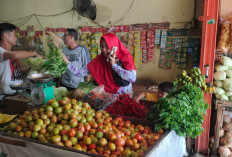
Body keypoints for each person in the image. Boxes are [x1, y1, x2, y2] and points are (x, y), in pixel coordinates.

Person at [62, 33, 136, 95]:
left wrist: (114, 66)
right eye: (102, 46)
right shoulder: (99, 60)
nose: (103, 50)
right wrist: (67, 62)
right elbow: (79, 72)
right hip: (109, 96)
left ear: (114, 47)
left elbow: (132, 78)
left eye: (107, 47)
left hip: (125, 96)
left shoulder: (126, 57)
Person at [0, 23, 43, 95]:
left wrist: (32, 68)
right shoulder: (1, 51)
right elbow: (14, 55)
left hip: (17, 93)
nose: (16, 38)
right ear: (5, 36)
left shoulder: (9, 52)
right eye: (14, 35)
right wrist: (34, 53)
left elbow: (16, 70)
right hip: (5, 97)